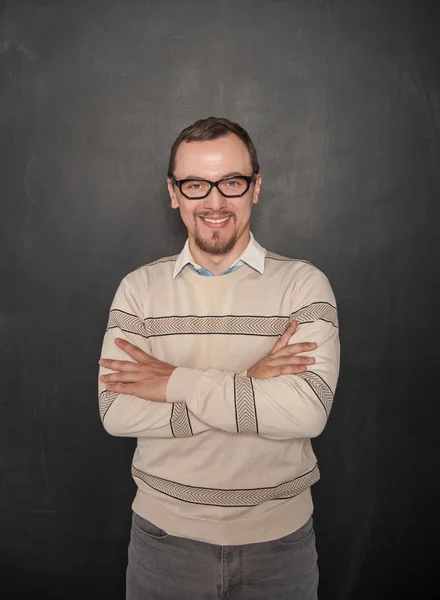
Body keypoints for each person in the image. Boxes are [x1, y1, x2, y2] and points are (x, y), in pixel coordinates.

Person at [98, 117, 340, 600]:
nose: (214, 201)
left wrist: (172, 382)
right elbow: (116, 412)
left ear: (256, 187)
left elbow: (307, 413)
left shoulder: (303, 285)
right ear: (174, 193)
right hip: (163, 546)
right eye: (195, 185)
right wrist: (249, 378)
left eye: (231, 182)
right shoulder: (139, 290)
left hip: (280, 549)